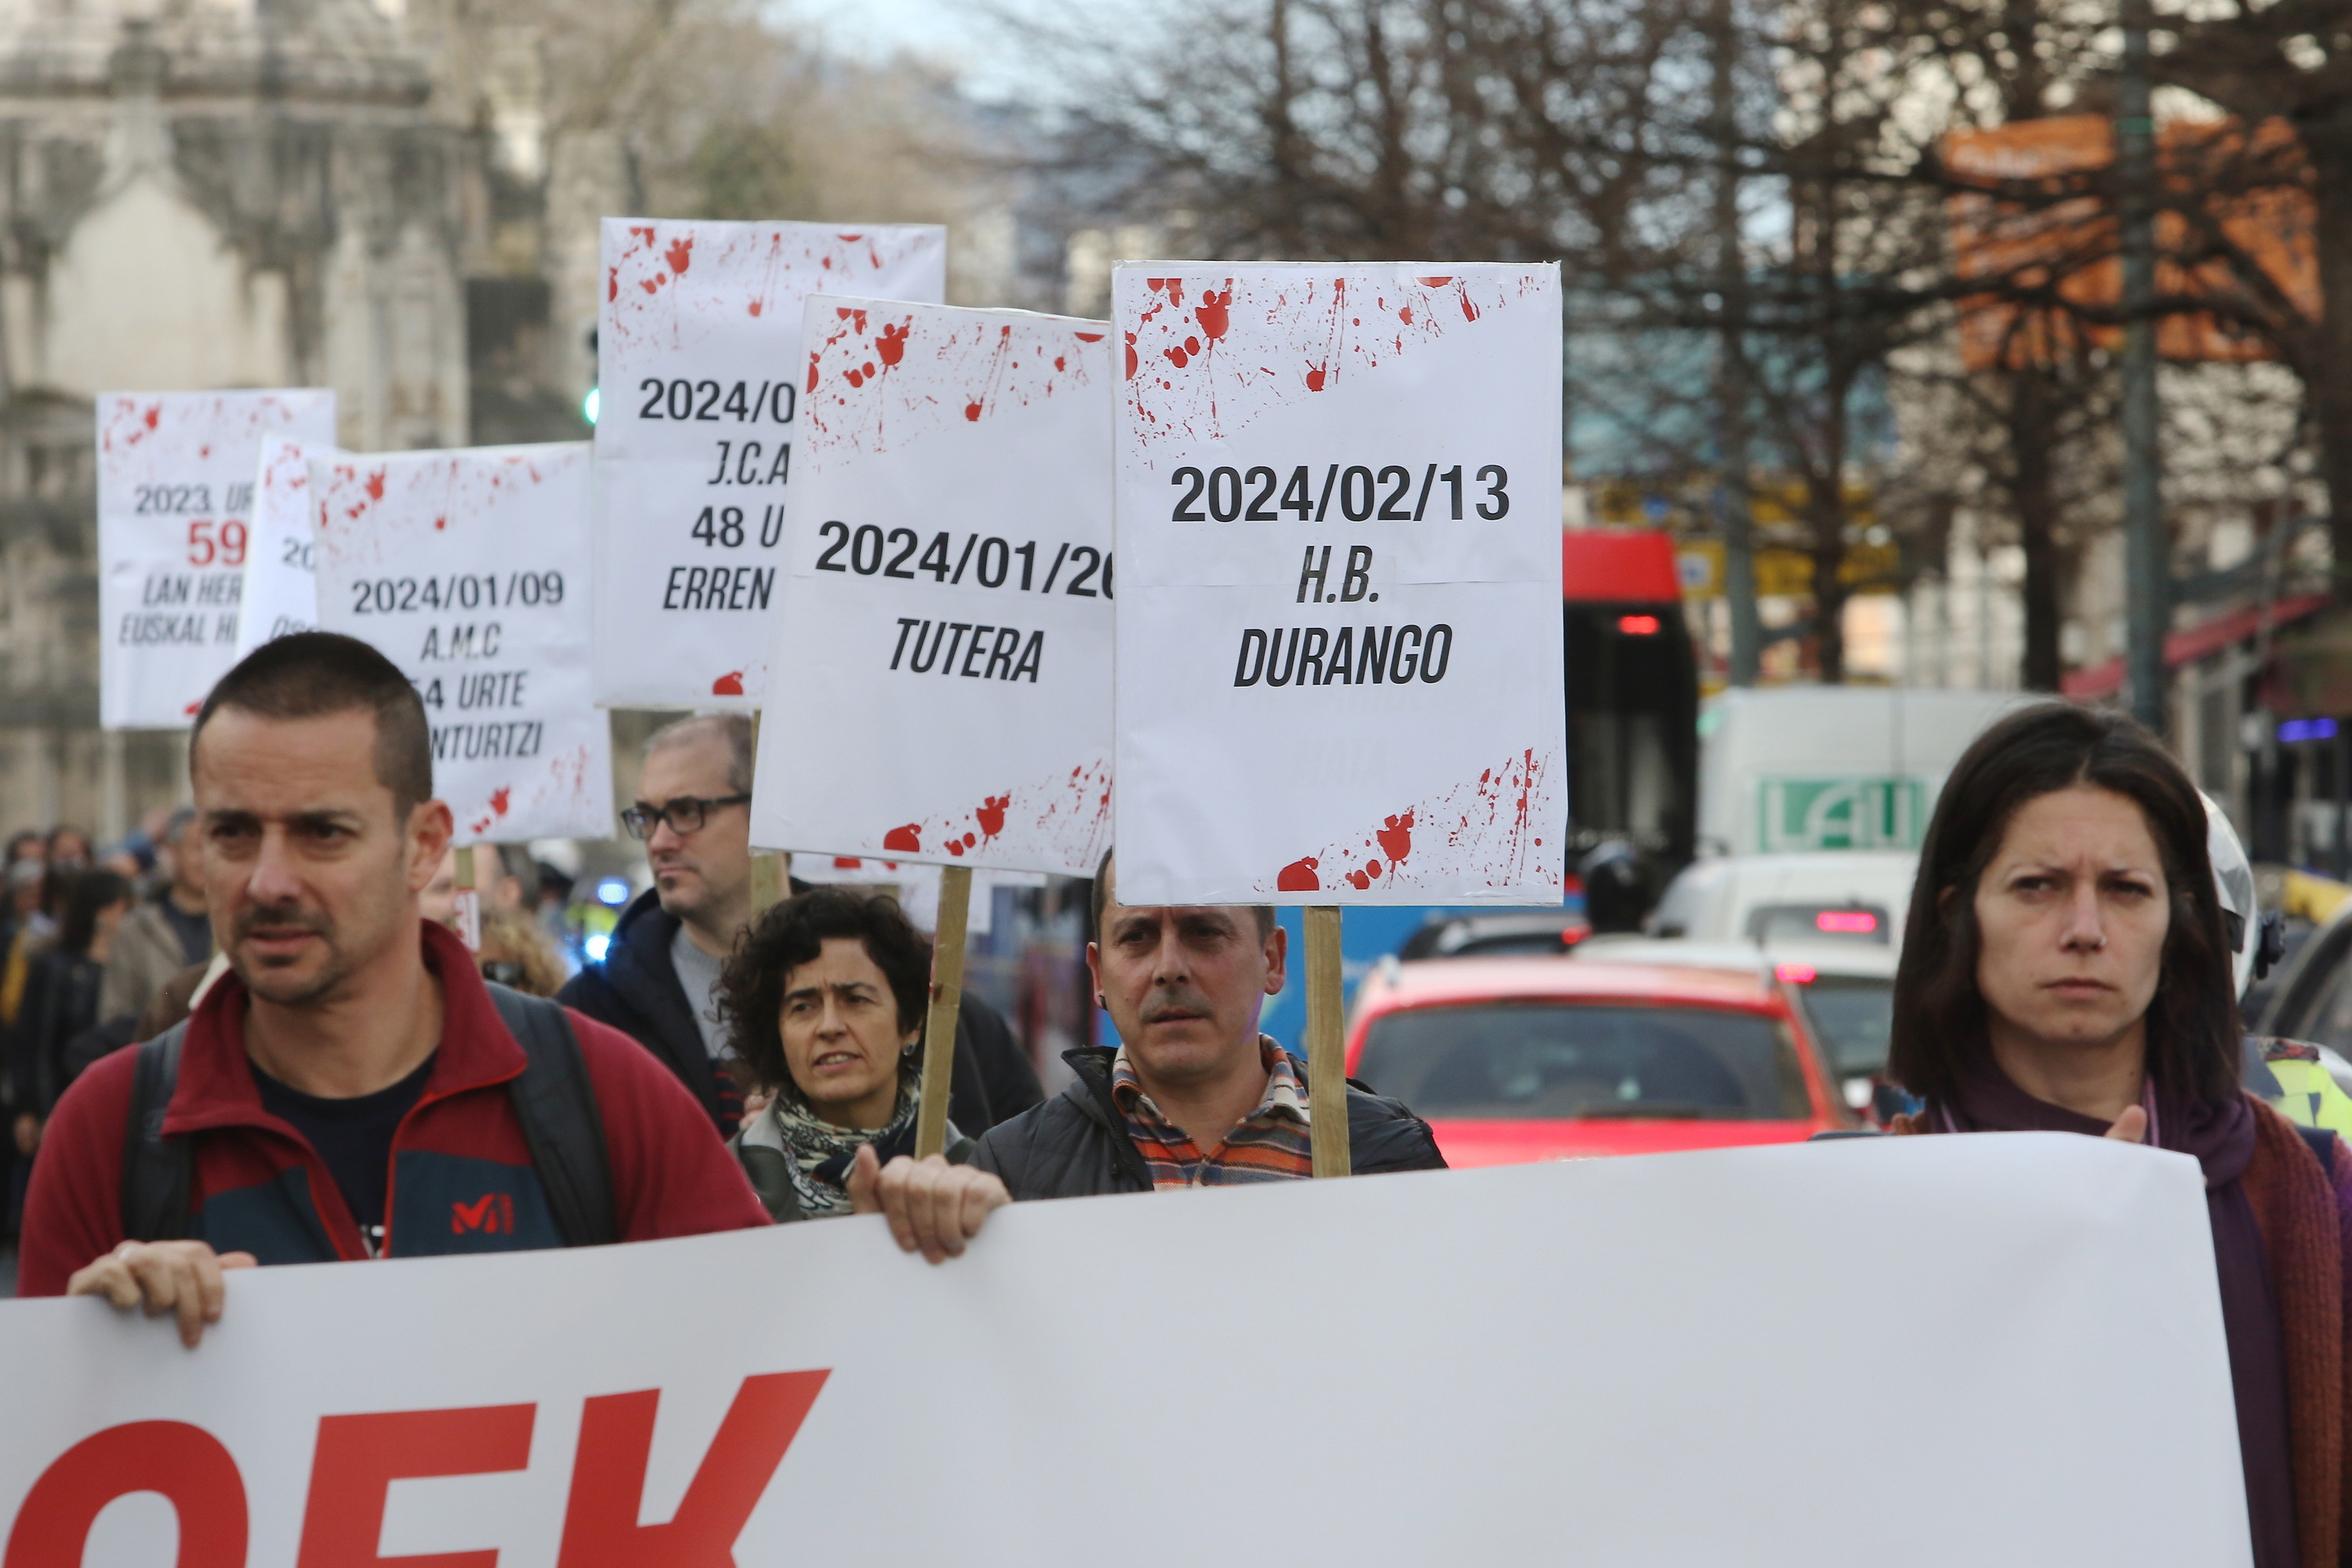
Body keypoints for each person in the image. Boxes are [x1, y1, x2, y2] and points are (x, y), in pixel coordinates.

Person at [18, 631, 773, 1344]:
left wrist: (879, 1247)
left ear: (425, 846)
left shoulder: (606, 1096)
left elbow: (773, 1366)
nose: (268, 880)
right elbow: (40, 1462)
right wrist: (96, 1355)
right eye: (232, 833)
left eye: (323, 833)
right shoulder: (107, 1130)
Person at [1884, 702, 2352, 1568]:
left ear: (2179, 929)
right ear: (1959, 913)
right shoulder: (1865, 1205)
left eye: (2126, 889)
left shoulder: (2312, 1191)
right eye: (2038, 885)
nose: (2086, 928)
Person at [558, 713, 1044, 1139]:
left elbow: (1026, 1183)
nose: (660, 840)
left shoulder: (934, 1003)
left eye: (687, 812)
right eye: (646, 816)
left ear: (769, 812)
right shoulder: (588, 1016)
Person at [958, 849, 1446, 1203]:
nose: (1169, 967)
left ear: (1272, 959)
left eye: (1203, 932)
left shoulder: (1388, 1156)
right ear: (1099, 974)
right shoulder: (1013, 1171)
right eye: (1138, 937)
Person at [719, 887, 977, 1221]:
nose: (829, 1026)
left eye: (856, 999)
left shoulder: (979, 1173)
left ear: (912, 1023)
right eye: (803, 1006)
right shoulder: (726, 1183)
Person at [100, 808, 214, 1025]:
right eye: (198, 848)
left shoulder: (236, 923)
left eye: (216, 849)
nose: (207, 859)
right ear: (172, 851)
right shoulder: (138, 927)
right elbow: (115, 1014)